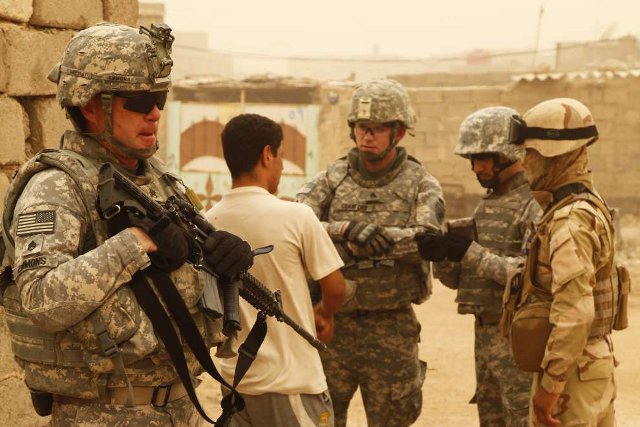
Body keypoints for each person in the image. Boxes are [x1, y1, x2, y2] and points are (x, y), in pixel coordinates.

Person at [0, 23, 253, 425]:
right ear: (90, 105)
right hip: (103, 413)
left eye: (160, 99)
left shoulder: (159, 180)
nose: (154, 113)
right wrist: (136, 242)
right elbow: (41, 298)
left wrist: (222, 254)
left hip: (178, 408)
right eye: (138, 101)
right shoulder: (56, 186)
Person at [296, 78, 444, 427]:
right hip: (333, 324)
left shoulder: (421, 184)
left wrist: (376, 238)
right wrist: (345, 230)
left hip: (391, 325)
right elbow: (300, 221)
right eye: (362, 127)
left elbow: (428, 240)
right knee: (322, 419)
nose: (367, 137)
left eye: (377, 129)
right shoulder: (332, 178)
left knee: (394, 418)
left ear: (399, 133)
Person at [205, 113, 346, 427]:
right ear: (267, 155)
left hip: (235, 385)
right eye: (281, 156)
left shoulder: (209, 221)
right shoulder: (296, 216)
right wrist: (324, 312)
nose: (281, 165)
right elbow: (336, 287)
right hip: (291, 385)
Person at [416, 106, 541, 427]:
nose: (476, 167)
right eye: (472, 159)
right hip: (485, 333)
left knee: (522, 418)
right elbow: (462, 281)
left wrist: (471, 252)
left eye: (484, 157)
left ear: (508, 154)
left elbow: (533, 276)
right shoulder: (487, 204)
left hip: (519, 334)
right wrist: (442, 256)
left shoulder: (534, 203)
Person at [508, 98, 618, 426]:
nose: (524, 163)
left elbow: (574, 311)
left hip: (571, 374)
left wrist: (551, 386)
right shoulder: (589, 204)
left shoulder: (570, 221)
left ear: (555, 155)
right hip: (589, 366)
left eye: (531, 153)